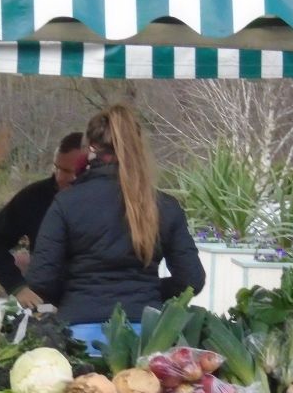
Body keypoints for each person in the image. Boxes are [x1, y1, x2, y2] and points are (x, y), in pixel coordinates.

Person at [26, 103, 205, 325]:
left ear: (90, 150)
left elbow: (40, 280)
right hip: (147, 334)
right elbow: (192, 280)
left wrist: (75, 290)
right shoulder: (164, 206)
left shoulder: (66, 203)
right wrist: (150, 289)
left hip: (77, 329)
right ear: (138, 148)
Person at [0, 132, 85, 308]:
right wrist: (17, 287)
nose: (60, 177)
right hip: (44, 305)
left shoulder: (106, 201)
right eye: (57, 168)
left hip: (89, 303)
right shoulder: (34, 197)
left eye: (69, 172)